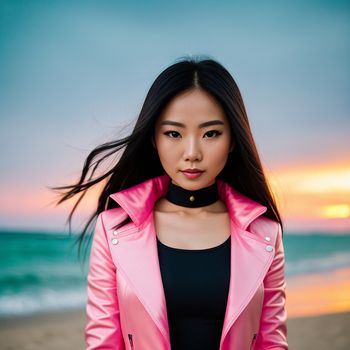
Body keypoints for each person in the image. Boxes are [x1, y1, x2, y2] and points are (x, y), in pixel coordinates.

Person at [53, 56, 288, 349]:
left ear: (232, 140)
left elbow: (272, 343)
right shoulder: (113, 228)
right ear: (154, 138)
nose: (192, 152)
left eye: (211, 133)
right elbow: (103, 343)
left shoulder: (265, 234)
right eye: (174, 133)